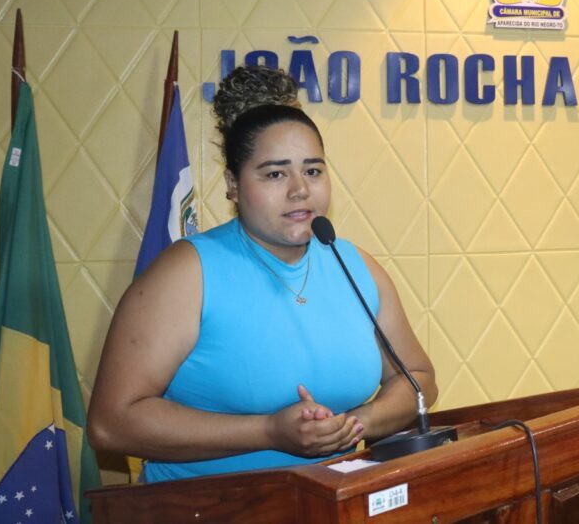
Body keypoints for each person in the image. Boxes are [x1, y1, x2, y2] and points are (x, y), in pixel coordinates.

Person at [88, 65, 437, 482]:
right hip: (203, 507)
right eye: (275, 173)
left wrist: (356, 423)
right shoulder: (186, 273)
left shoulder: (354, 264)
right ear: (233, 184)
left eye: (313, 170)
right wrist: (269, 432)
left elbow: (418, 379)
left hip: (333, 501)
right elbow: (111, 424)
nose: (300, 190)